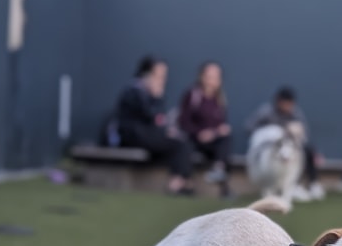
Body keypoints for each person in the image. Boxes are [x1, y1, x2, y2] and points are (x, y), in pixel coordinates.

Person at [115, 55, 194, 195]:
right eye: (158, 75)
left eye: (164, 75)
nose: (162, 79)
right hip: (134, 136)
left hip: (147, 135)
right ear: (147, 74)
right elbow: (151, 116)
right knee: (180, 143)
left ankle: (179, 182)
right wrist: (156, 97)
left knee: (181, 140)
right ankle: (176, 184)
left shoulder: (148, 91)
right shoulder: (135, 90)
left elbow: (158, 120)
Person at [244, 86, 324, 200]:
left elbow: (304, 133)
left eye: (290, 103)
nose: (288, 106)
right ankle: (271, 186)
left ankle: (310, 184)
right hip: (271, 150)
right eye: (285, 103)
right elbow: (249, 126)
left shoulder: (296, 113)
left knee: (308, 150)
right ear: (278, 101)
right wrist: (269, 132)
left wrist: (295, 132)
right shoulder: (266, 111)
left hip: (291, 147)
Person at [178, 61, 232, 193]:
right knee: (184, 146)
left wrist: (218, 131)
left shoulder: (220, 99)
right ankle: (186, 184)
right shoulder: (193, 95)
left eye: (216, 77)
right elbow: (184, 122)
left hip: (212, 141)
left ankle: (219, 175)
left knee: (226, 139)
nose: (213, 80)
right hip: (194, 139)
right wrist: (199, 133)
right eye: (210, 76)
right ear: (202, 77)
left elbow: (220, 122)